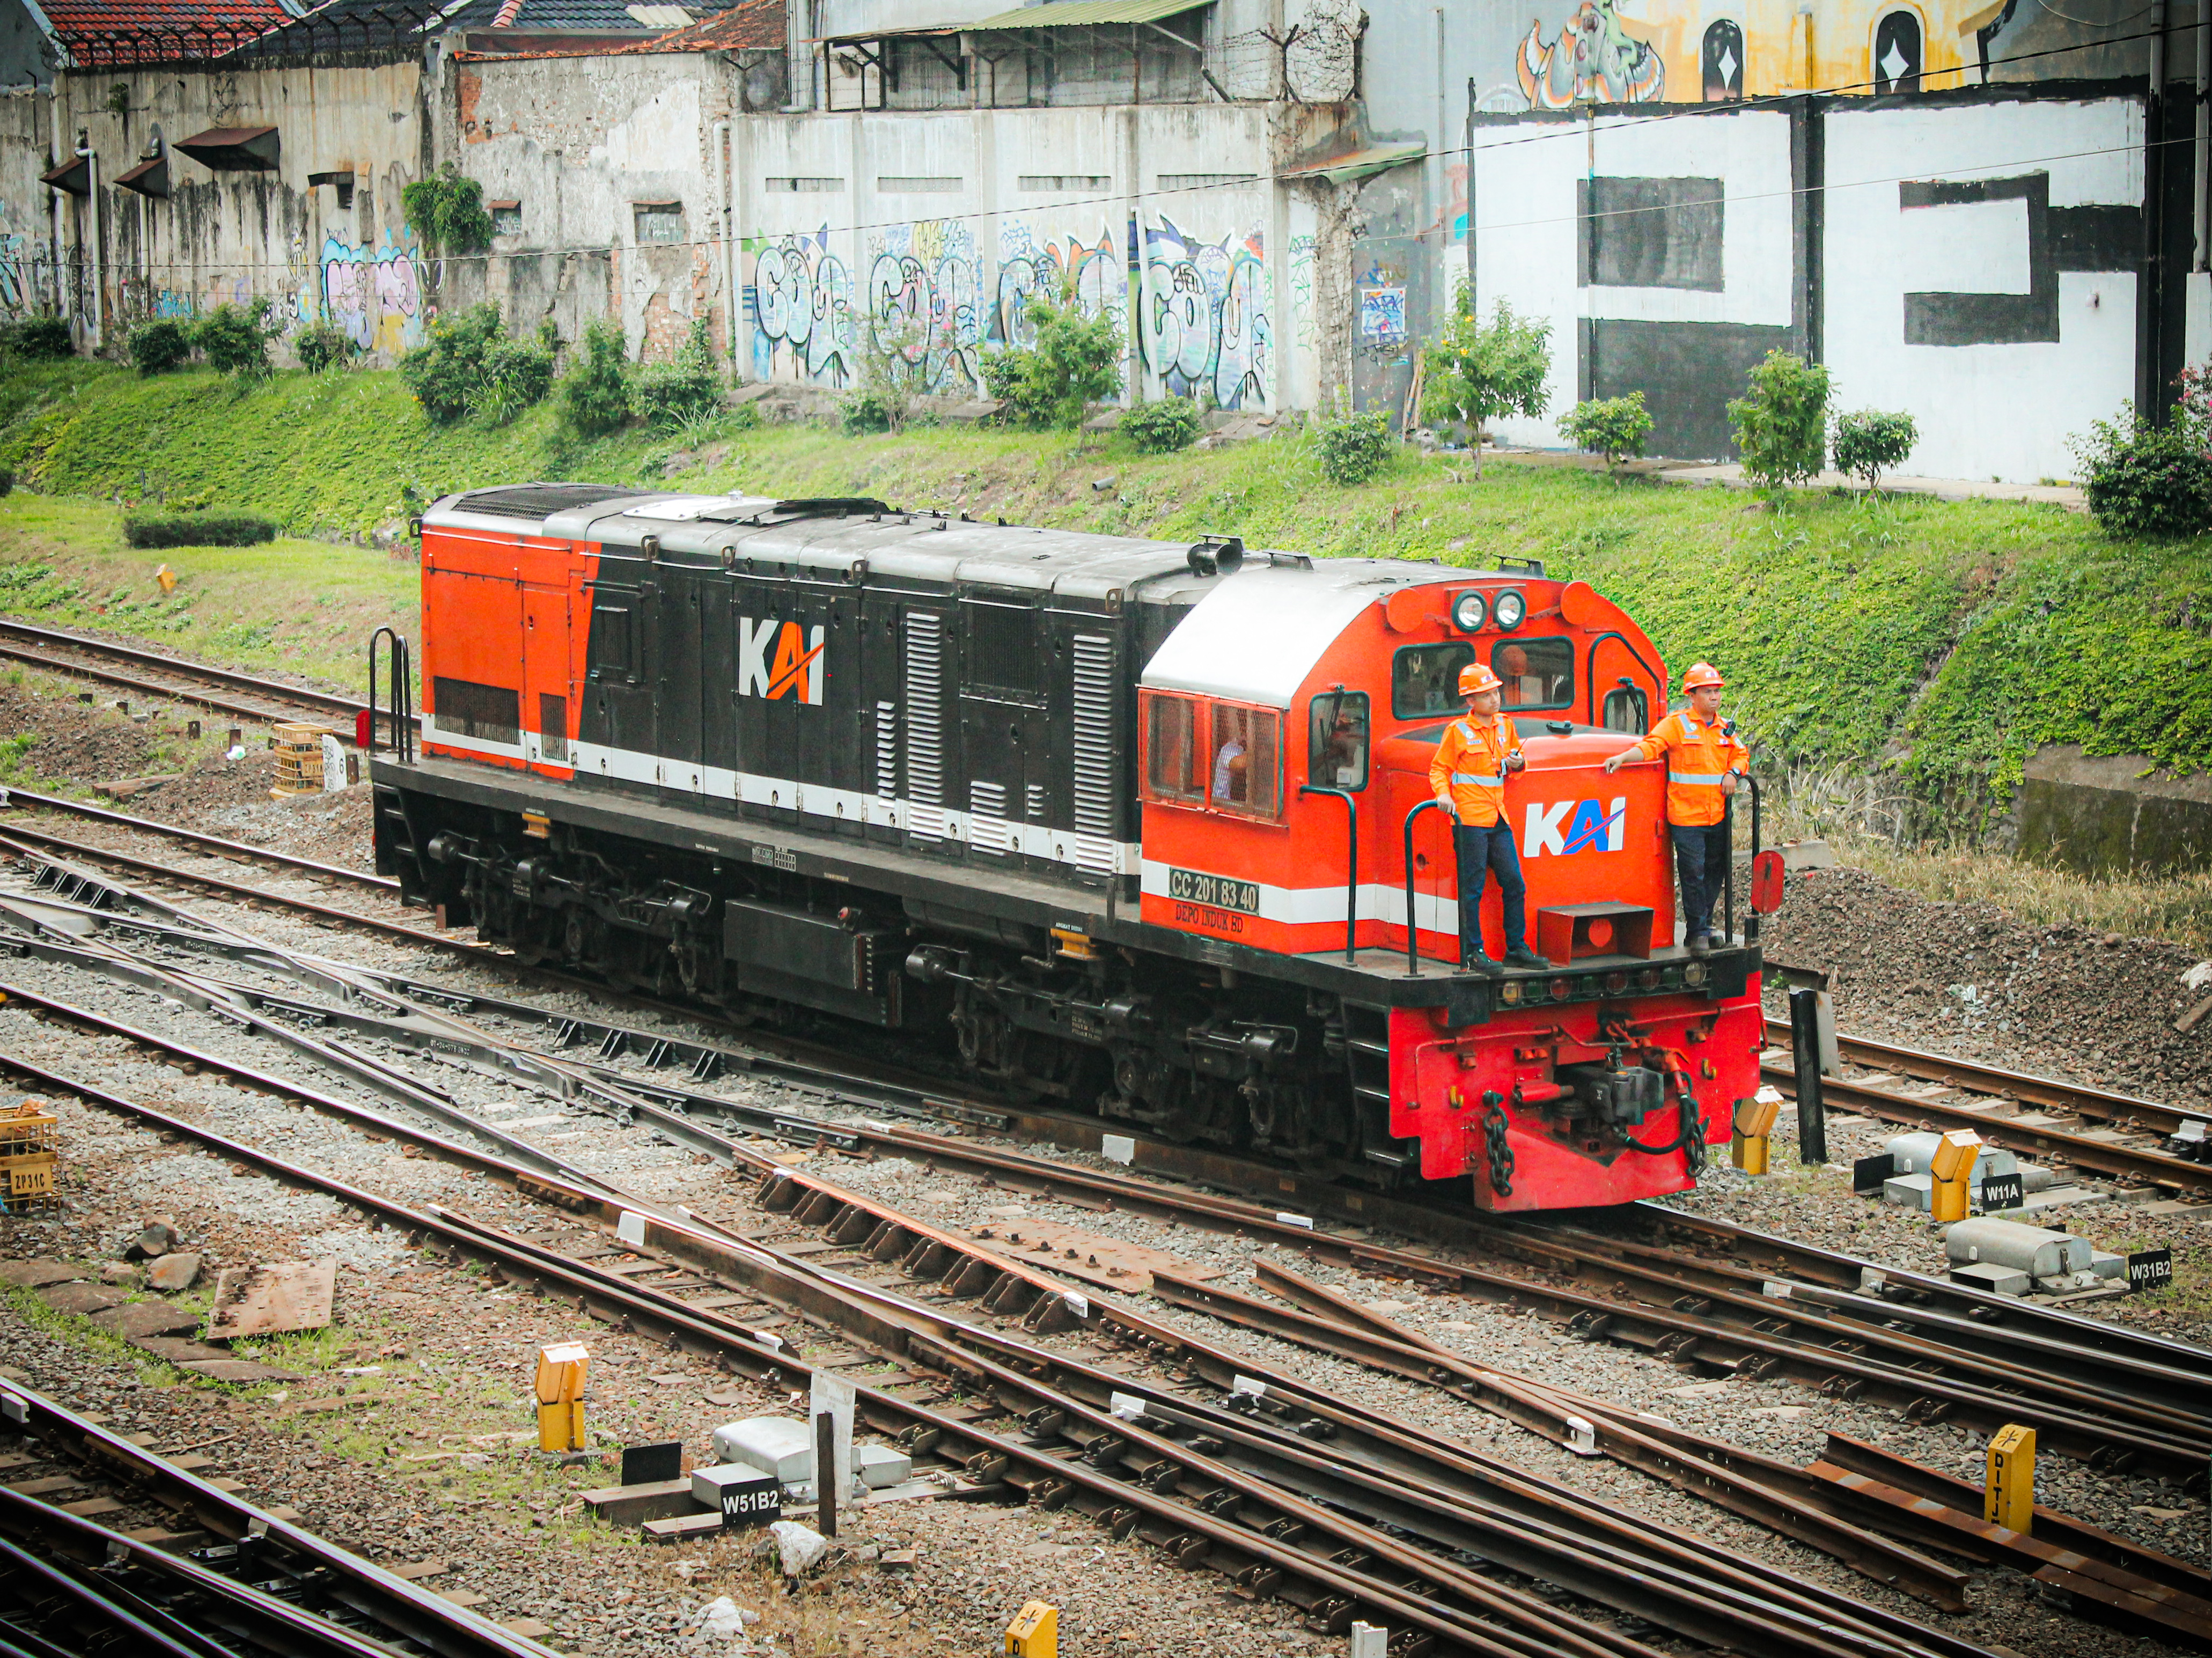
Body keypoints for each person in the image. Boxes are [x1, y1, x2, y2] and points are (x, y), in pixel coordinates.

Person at [1601, 661, 1749, 956]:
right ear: (1692, 695)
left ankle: (1703, 926)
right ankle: (1697, 933)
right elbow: (1651, 746)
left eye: (1717, 692)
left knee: (1715, 871)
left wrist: (1734, 773)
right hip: (1686, 816)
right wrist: (1623, 758)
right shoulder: (1676, 724)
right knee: (1692, 872)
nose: (1714, 697)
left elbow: (1742, 755)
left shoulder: (1725, 730)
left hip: (1717, 815)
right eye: (1707, 692)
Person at [1429, 663, 1548, 974]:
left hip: (1498, 818)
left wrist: (1518, 763)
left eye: (1496, 692)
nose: (1495, 699)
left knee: (1514, 883)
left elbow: (1512, 770)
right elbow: (1439, 768)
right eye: (1486, 695)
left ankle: (1517, 948)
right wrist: (1443, 795)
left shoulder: (1506, 726)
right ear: (1470, 702)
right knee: (1473, 889)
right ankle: (1473, 953)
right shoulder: (1458, 731)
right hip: (1469, 820)